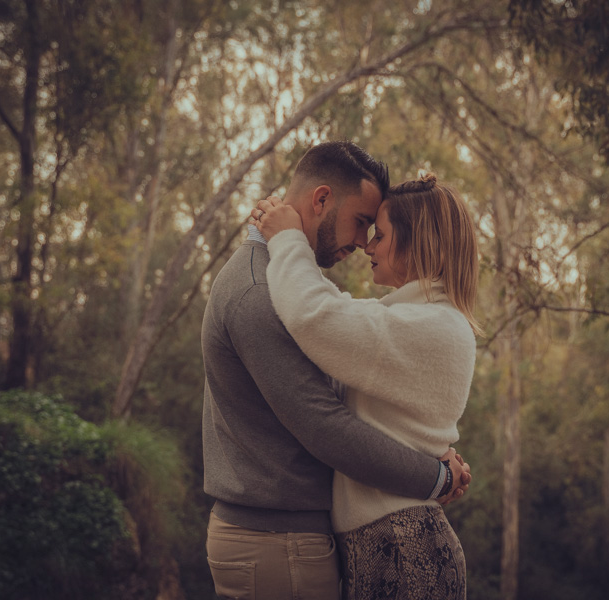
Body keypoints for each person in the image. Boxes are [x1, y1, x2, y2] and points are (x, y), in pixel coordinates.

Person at [201, 142, 469, 600]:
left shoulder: (283, 282)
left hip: (303, 541)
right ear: (322, 200)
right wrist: (434, 474)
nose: (364, 242)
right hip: (276, 542)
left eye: (375, 231)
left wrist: (431, 451)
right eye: (363, 223)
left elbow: (343, 342)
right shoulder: (258, 293)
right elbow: (326, 426)